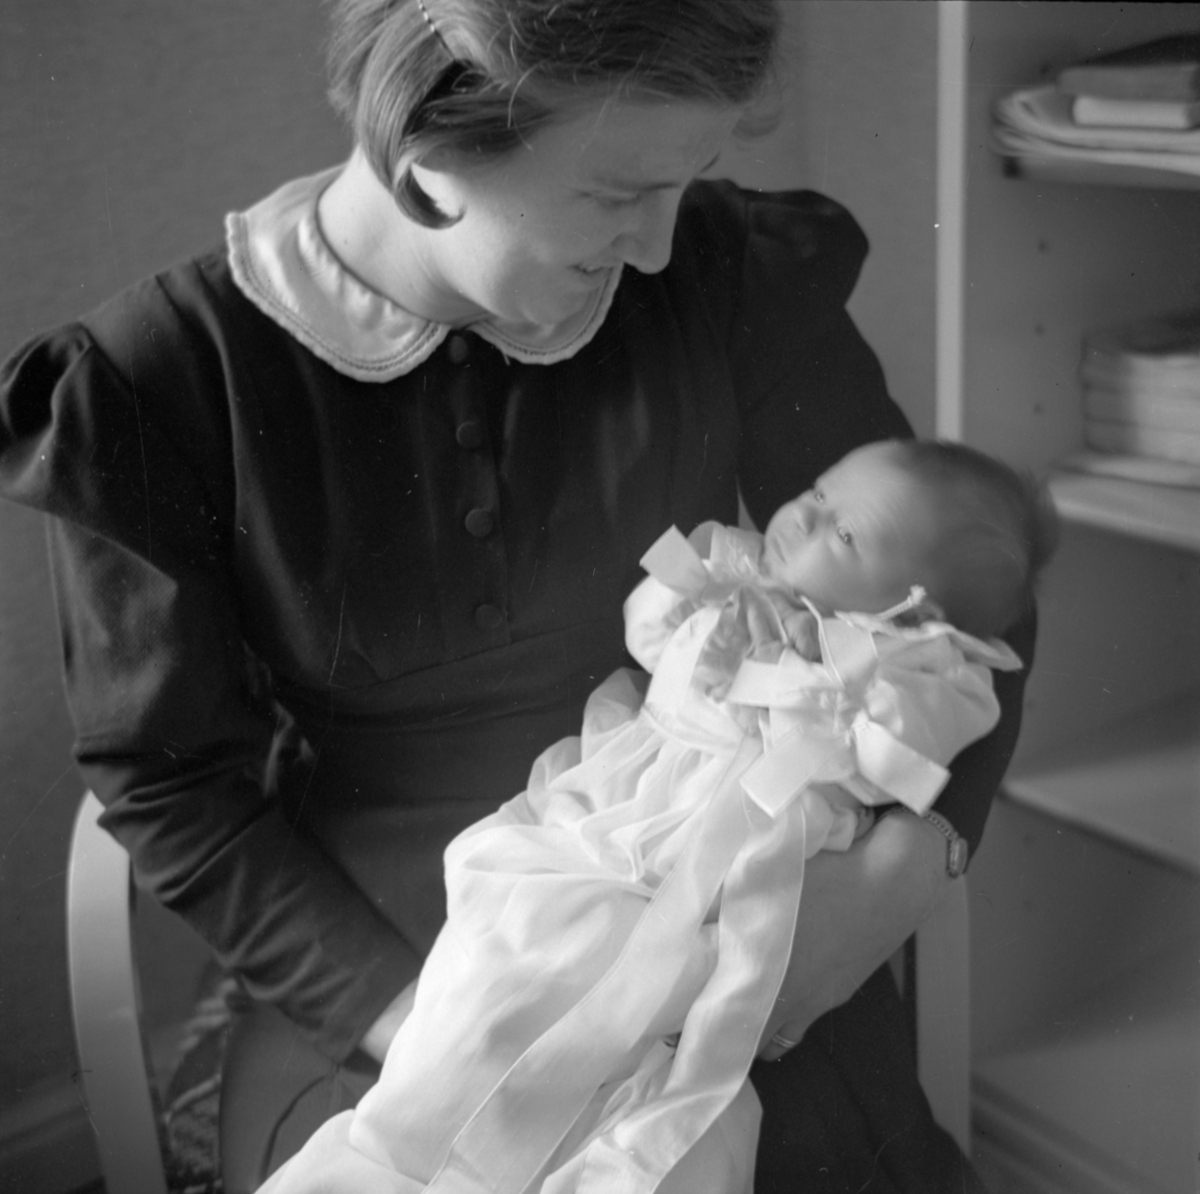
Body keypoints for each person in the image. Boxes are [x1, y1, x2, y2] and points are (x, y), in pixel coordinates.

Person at [0, 2, 1036, 1191]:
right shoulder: (155, 385)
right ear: (428, 150)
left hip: (736, 891)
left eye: (685, 181)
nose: (659, 246)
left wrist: (906, 870)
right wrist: (448, 1029)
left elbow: (957, 586)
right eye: (617, 193)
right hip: (388, 958)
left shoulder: (726, 268)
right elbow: (171, 784)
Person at [256, 438, 1054, 1193]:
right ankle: (403, 1157)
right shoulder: (737, 584)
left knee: (681, 1080)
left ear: (913, 613)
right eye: (817, 492)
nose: (803, 516)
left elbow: (896, 752)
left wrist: (838, 659)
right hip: (616, 830)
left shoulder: (923, 669)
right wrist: (713, 596)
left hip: (740, 878)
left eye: (843, 533)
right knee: (512, 976)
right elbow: (647, 627)